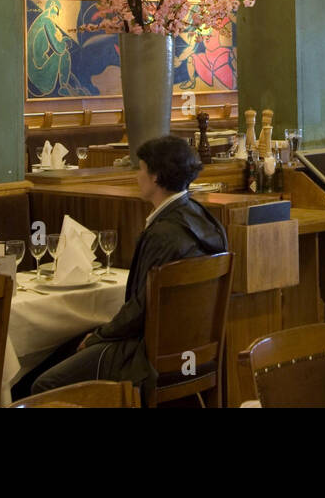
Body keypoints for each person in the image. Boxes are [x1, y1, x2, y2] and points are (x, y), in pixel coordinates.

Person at [30, 135, 228, 398]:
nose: (137, 176)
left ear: (155, 177)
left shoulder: (163, 234)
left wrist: (99, 336)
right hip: (193, 354)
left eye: (141, 169)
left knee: (42, 384)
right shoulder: (206, 220)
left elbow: (139, 311)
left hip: (146, 359)